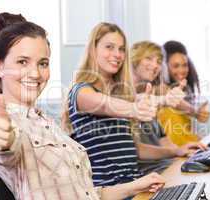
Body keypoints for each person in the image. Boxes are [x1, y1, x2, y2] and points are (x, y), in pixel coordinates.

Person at [0, 12, 165, 200]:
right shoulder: (0, 121)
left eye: (43, 63)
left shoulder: (47, 123)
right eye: (22, 62)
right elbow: (5, 147)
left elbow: (88, 195)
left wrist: (136, 186)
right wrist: (2, 139)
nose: (35, 73)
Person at [62, 23, 197, 187]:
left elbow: (134, 149)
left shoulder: (120, 95)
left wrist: (176, 151)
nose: (117, 54)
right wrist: (135, 108)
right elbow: (106, 105)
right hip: (109, 191)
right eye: (109, 47)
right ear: (93, 49)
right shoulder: (81, 92)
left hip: (136, 185)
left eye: (121, 49)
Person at [131, 41, 206, 152]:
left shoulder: (150, 93)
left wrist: (180, 151)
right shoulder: (153, 92)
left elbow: (164, 140)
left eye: (158, 61)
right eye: (148, 58)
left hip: (165, 160)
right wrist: (195, 112)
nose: (155, 65)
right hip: (155, 165)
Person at [157, 40, 210, 146]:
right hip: (173, 151)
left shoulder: (187, 89)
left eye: (185, 65)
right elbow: (173, 100)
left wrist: (207, 141)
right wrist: (195, 112)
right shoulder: (159, 87)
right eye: (176, 66)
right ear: (165, 67)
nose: (181, 70)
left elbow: (185, 133)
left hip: (185, 147)